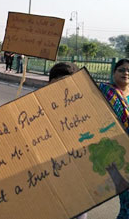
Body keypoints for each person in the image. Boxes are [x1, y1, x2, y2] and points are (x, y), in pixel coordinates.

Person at [99, 59, 129, 219]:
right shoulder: (103, 92)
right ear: (113, 73)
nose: (126, 73)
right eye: (122, 70)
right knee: (89, 195)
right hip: (107, 151)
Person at [49, 62, 88, 219]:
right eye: (56, 84)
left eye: (66, 84)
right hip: (45, 178)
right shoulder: (32, 110)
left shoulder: (88, 109)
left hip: (76, 178)